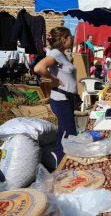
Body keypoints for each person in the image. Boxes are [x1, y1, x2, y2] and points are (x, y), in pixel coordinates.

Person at [34, 27, 77, 164]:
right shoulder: (56, 54)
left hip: (66, 99)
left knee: (63, 132)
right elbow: (38, 68)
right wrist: (54, 79)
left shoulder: (61, 54)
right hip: (61, 100)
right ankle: (66, 164)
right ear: (64, 39)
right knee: (69, 134)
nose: (72, 38)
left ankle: (60, 163)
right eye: (70, 36)